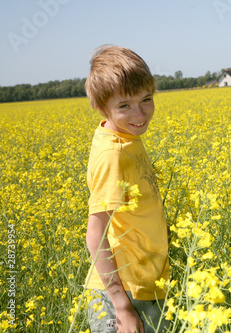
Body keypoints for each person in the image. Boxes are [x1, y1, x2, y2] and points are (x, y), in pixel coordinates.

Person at [84, 45, 170, 333]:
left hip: (144, 284)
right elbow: (95, 237)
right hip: (121, 294)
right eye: (124, 105)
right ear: (101, 107)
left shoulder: (127, 137)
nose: (140, 113)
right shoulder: (113, 153)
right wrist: (122, 306)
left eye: (146, 99)